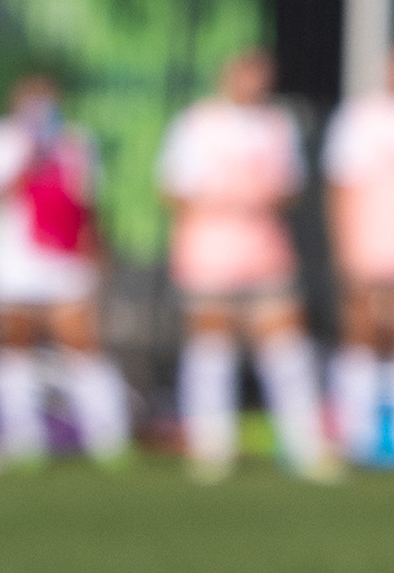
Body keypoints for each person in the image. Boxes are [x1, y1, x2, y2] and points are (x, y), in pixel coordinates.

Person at [156, 48, 332, 483]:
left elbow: (293, 186)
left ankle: (304, 444)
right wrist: (223, 199)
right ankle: (211, 444)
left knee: (286, 345)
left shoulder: (277, 124)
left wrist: (261, 197)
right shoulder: (197, 123)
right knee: (211, 345)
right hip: (209, 248)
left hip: (265, 247)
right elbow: (172, 188)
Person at [0, 72, 134, 467]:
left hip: (63, 255)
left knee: (80, 340)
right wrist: (24, 163)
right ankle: (21, 438)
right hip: (14, 256)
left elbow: (88, 201)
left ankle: (108, 438)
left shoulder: (76, 142)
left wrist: (98, 249)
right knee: (14, 340)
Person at [322, 56, 394, 466]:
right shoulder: (361, 117)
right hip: (371, 245)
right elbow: (340, 186)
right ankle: (358, 433)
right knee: (363, 330)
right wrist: (345, 249)